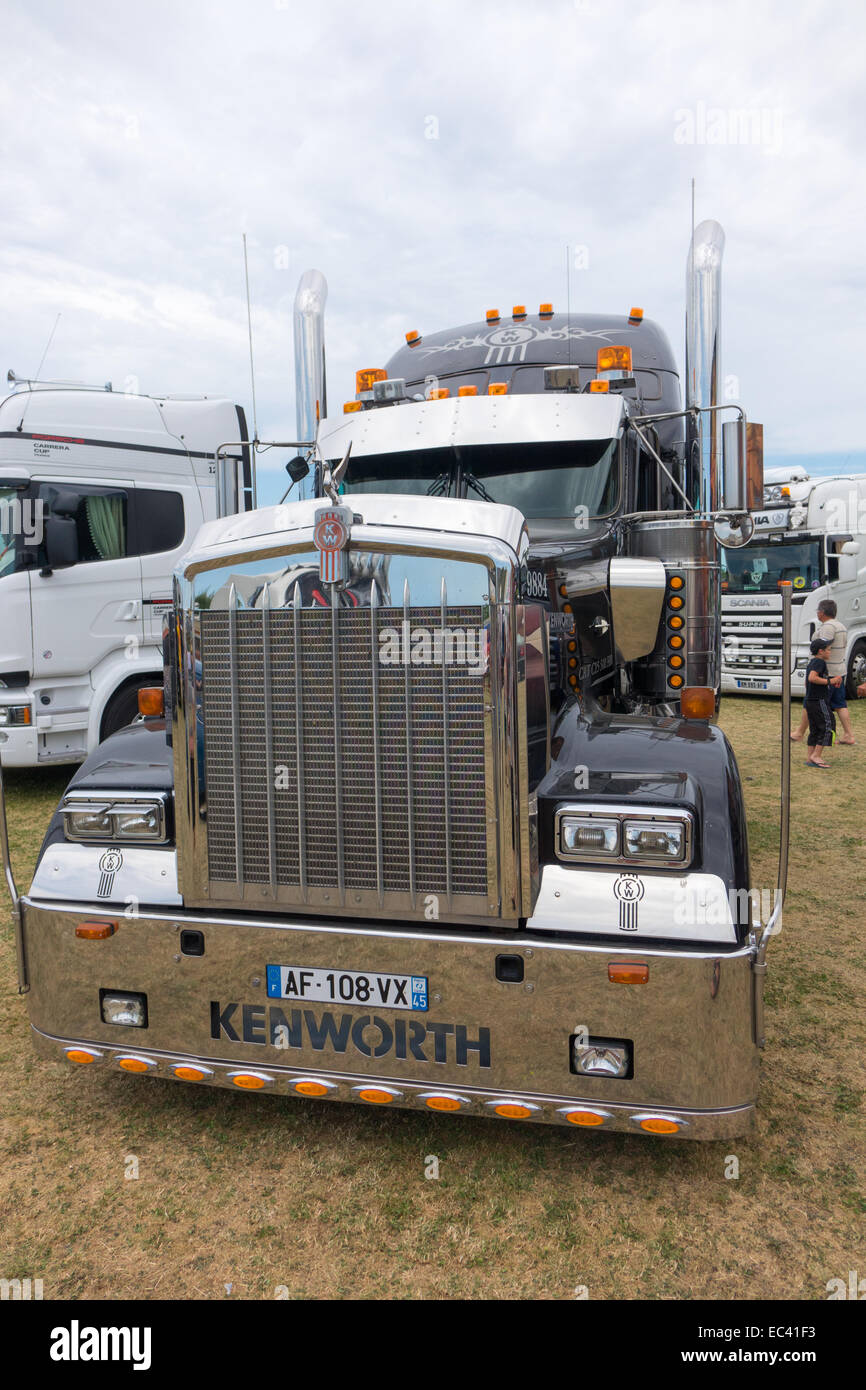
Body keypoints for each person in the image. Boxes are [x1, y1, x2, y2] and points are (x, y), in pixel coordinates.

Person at [790, 599, 854, 745]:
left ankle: (799, 732)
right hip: (839, 669)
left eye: (818, 611)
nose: (817, 613)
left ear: (822, 612)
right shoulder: (841, 625)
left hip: (827, 671)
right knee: (839, 703)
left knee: (811, 701)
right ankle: (849, 735)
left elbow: (821, 646)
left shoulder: (828, 626)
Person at [803, 637, 835, 768]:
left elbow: (807, 682)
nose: (830, 652)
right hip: (819, 701)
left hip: (810, 700)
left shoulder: (812, 662)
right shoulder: (819, 662)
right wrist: (830, 682)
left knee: (815, 729)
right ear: (821, 651)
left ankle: (810, 758)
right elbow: (812, 678)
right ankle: (816, 755)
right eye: (828, 649)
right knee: (828, 726)